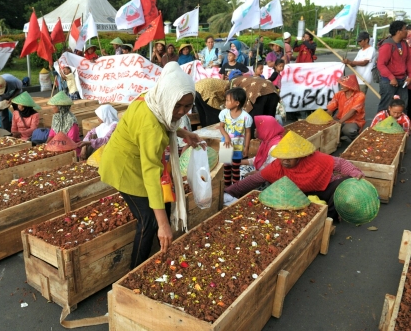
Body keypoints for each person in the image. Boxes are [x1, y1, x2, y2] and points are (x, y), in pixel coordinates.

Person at [99, 62, 204, 269]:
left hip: (137, 160)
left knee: (163, 204)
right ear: (168, 98)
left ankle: (161, 253)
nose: (182, 112)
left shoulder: (154, 97)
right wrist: (164, 225)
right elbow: (151, 175)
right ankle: (135, 272)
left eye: (187, 106)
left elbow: (166, 119)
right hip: (125, 167)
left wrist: (184, 133)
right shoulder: (151, 129)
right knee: (148, 221)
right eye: (178, 106)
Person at [226, 131, 364, 221]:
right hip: (296, 195)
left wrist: (355, 172)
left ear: (298, 156)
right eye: (282, 158)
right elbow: (253, 180)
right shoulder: (276, 167)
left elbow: (340, 163)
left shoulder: (316, 158)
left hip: (321, 189)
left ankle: (329, 218)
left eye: (289, 158)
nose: (285, 161)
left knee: (342, 184)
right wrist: (229, 192)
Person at [218, 87, 252, 186]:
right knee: (226, 167)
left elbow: (248, 132)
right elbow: (221, 127)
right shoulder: (224, 113)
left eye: (228, 100)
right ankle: (227, 186)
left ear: (237, 103)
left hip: (238, 146)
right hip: (226, 144)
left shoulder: (246, 117)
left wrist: (246, 147)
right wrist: (226, 137)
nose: (226, 102)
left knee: (236, 168)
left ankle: (235, 188)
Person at [376, 21, 411, 111]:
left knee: (403, 106)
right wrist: (391, 78)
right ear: (399, 31)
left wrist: (410, 76)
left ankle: (401, 125)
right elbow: (381, 65)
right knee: (386, 107)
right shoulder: (387, 45)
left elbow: (408, 61)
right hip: (388, 82)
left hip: (402, 80)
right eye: (405, 29)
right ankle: (381, 125)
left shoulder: (404, 44)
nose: (407, 31)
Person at [326, 75, 366, 141]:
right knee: (327, 128)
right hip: (339, 118)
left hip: (354, 121)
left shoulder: (360, 95)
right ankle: (337, 140)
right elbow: (330, 109)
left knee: (348, 130)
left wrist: (339, 122)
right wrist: (324, 117)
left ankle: (357, 141)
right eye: (341, 84)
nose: (341, 86)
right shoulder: (338, 94)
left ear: (350, 85)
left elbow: (352, 112)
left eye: (344, 84)